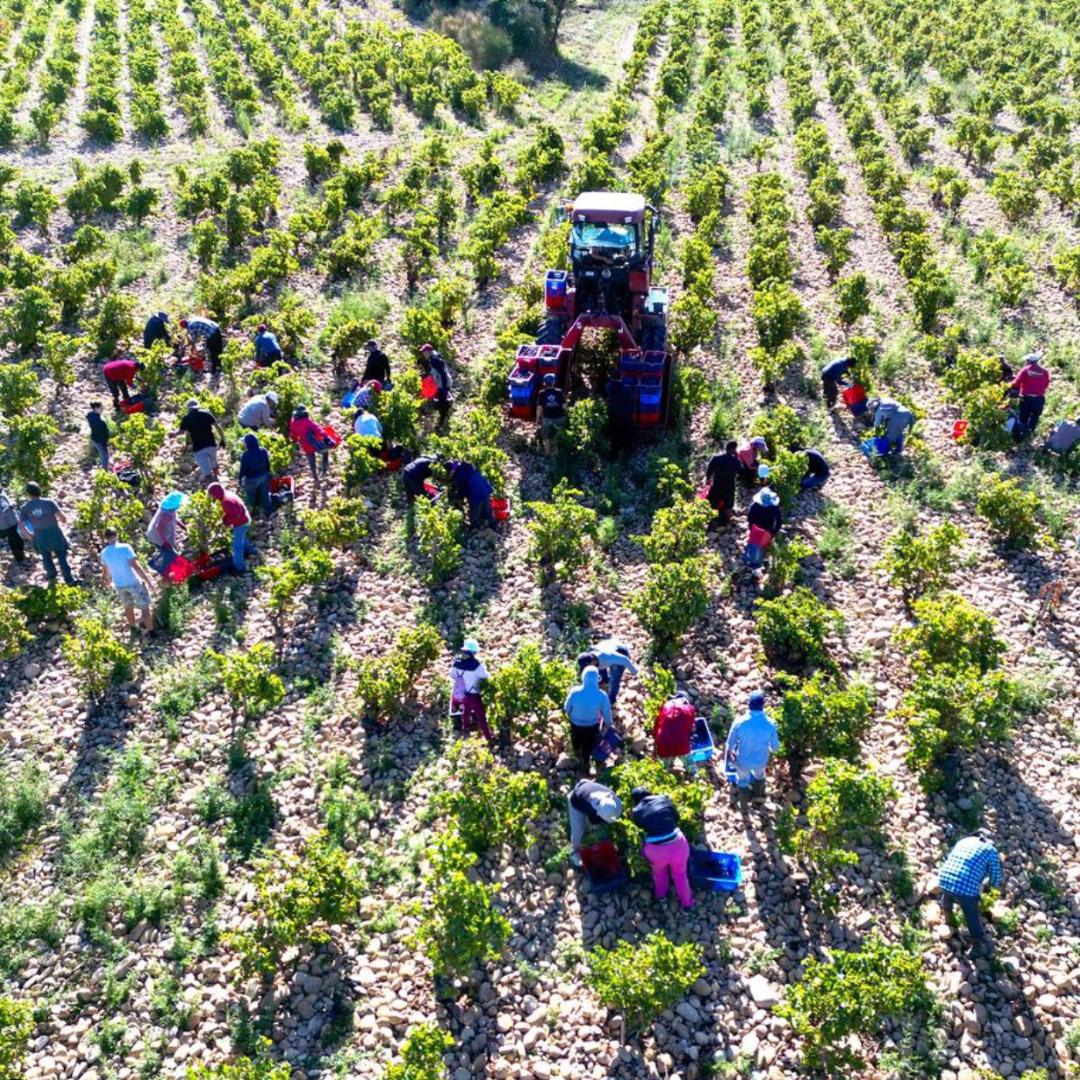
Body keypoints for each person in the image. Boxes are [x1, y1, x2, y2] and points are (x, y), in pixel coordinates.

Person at [937, 831, 1003, 951]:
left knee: (948, 895)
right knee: (971, 915)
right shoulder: (990, 850)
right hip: (965, 887)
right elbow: (996, 877)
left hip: (944, 878)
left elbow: (952, 860)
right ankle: (977, 945)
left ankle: (950, 925)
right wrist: (989, 887)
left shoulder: (964, 841)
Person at [630, 787, 693, 910]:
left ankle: (661, 897)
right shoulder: (663, 799)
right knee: (681, 876)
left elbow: (640, 826)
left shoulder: (637, 810)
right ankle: (687, 905)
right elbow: (676, 817)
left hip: (656, 851)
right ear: (650, 793)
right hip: (678, 845)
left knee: (659, 874)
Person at [725, 690, 779, 806]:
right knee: (760, 776)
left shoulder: (739, 722)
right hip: (761, 760)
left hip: (743, 761)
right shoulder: (771, 723)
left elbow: (730, 744)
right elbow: (775, 748)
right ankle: (757, 796)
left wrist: (731, 753)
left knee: (743, 781)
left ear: (749, 704)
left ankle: (744, 807)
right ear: (762, 706)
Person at [18, 482, 76, 586]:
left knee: (46, 557)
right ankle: (69, 579)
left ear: (28, 493)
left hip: (39, 535)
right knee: (61, 555)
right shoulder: (49, 502)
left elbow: (21, 526)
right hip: (54, 532)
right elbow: (63, 519)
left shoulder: (24, 508)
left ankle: (52, 578)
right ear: (39, 490)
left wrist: (29, 534)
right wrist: (63, 520)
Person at [100, 527, 154, 633]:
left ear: (105, 538)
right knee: (145, 607)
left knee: (128, 607)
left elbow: (105, 572)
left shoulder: (104, 553)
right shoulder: (125, 547)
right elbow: (135, 566)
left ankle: (134, 627)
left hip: (119, 585)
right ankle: (152, 632)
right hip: (134, 582)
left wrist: (106, 583)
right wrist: (147, 580)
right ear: (117, 535)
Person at [564, 665, 612, 772]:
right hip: (591, 725)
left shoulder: (574, 691)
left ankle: (576, 756)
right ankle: (586, 762)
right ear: (597, 679)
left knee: (576, 740)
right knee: (588, 744)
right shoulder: (602, 695)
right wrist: (608, 725)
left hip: (575, 724)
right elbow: (607, 712)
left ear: (583, 677)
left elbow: (566, 708)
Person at [567, 780, 622, 868]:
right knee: (579, 830)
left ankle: (597, 840)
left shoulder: (612, 799)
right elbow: (593, 820)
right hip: (576, 799)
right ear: (598, 813)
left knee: (596, 826)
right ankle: (575, 851)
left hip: (586, 784)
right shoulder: (587, 805)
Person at [448, 638, 492, 741]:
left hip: (464, 693)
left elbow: (452, 675)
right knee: (481, 716)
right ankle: (489, 738)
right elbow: (486, 676)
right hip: (474, 694)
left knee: (466, 712)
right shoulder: (476, 665)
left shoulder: (457, 662)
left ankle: (466, 729)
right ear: (474, 652)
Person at [176, 399, 226, 482]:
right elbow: (217, 426)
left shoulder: (187, 418)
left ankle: (211, 487)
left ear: (188, 408)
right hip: (211, 444)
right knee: (214, 462)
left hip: (199, 448)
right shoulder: (207, 413)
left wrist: (186, 443)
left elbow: (184, 432)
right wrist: (222, 439)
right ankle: (217, 479)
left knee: (207, 472)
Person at [576, 639, 638, 705]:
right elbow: (584, 673)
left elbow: (625, 660)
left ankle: (611, 700)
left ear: (592, 662)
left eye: (587, 667)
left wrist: (634, 671)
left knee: (614, 679)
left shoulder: (607, 657)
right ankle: (604, 680)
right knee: (599, 670)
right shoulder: (588, 656)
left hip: (620, 651)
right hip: (608, 645)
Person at [207, 483, 252, 572]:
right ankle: (250, 550)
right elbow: (233, 512)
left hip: (241, 522)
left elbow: (236, 516)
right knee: (243, 536)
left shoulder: (226, 502)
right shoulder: (227, 494)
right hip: (246, 518)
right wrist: (225, 518)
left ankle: (239, 567)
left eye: (212, 495)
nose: (213, 498)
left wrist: (226, 522)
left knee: (237, 546)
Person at [654, 691, 698, 774]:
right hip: (682, 746)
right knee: (691, 766)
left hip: (664, 746)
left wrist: (655, 747)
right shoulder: (690, 708)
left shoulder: (665, 706)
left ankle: (664, 772)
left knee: (662, 770)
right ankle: (694, 775)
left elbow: (656, 729)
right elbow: (690, 730)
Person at [1010, 352, 1050, 439]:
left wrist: (1009, 386)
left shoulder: (1025, 370)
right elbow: (1046, 385)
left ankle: (1020, 436)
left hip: (1027, 398)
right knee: (1035, 416)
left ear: (1028, 361)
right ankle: (1030, 433)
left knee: (1023, 417)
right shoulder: (1044, 371)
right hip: (1039, 399)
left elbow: (1016, 382)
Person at [289, 406, 333, 481]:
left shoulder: (293, 423)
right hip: (316, 444)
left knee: (311, 460)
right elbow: (318, 429)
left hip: (305, 445)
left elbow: (293, 436)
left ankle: (315, 476)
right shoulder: (307, 422)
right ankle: (324, 471)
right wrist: (327, 437)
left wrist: (295, 442)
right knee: (325, 453)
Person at [448, 460, 496, 529]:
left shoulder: (458, 477)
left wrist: (456, 498)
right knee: (487, 509)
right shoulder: (465, 465)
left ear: (451, 470)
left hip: (475, 493)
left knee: (474, 514)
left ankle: (475, 529)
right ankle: (493, 525)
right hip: (483, 487)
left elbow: (462, 492)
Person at [744, 487, 782, 568]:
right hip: (767, 532)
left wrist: (751, 528)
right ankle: (762, 559)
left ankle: (752, 560)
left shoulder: (754, 505)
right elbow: (779, 522)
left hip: (755, 529)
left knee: (754, 543)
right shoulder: (774, 508)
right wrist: (774, 532)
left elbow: (749, 518)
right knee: (763, 545)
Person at [238, 433, 272, 518]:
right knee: (265, 494)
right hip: (263, 476)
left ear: (247, 444)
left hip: (252, 479)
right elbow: (268, 464)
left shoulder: (245, 455)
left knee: (250, 496)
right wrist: (268, 473)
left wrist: (239, 479)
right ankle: (269, 511)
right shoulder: (263, 450)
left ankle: (251, 512)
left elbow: (243, 469)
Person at [706, 441, 740, 521]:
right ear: (734, 449)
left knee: (713, 501)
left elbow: (709, 470)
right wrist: (736, 457)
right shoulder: (735, 461)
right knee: (728, 504)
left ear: (726, 448)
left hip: (717, 485)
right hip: (729, 487)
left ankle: (711, 519)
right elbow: (740, 470)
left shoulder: (716, 458)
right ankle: (726, 520)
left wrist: (708, 480)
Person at [420, 343, 451, 421]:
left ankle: (442, 420)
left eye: (425, 352)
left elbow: (443, 373)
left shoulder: (435, 360)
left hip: (443, 384)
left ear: (429, 352)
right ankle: (443, 413)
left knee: (442, 403)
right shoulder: (434, 357)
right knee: (439, 399)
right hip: (440, 383)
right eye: (423, 353)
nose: (424, 354)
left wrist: (444, 387)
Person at [536, 373, 566, 449]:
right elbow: (564, 406)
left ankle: (547, 454)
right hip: (559, 418)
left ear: (544, 382)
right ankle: (556, 455)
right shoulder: (560, 392)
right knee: (558, 437)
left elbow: (539, 408)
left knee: (547, 438)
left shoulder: (542, 393)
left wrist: (538, 419)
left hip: (547, 419)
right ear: (554, 382)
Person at [605, 376, 635, 452]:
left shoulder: (609, 386)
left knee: (614, 438)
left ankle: (614, 454)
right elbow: (631, 404)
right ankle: (626, 454)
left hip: (614, 416)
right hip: (625, 417)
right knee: (626, 437)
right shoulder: (626, 389)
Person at [0, 486, 27, 568]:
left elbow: (8, 503)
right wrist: (10, 507)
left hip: (13, 521)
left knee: (18, 538)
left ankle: (20, 555)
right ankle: (19, 558)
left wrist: (12, 504)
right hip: (6, 524)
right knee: (14, 540)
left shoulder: (2, 494)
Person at [86, 401, 111, 470]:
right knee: (105, 456)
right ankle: (105, 472)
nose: (102, 409)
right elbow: (102, 433)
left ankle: (105, 468)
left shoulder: (91, 416)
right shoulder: (99, 421)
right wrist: (106, 443)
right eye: (101, 408)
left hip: (95, 438)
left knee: (104, 455)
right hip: (99, 440)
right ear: (96, 408)